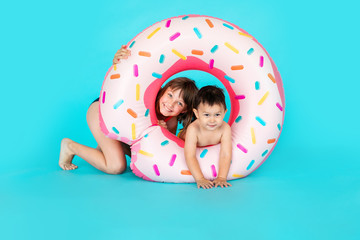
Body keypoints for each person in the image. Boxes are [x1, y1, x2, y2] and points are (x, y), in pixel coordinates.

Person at [59, 46, 198, 174]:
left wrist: (161, 132)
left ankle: (106, 145)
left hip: (121, 127)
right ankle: (70, 146)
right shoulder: (148, 94)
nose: (171, 104)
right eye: (170, 95)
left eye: (179, 103)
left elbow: (159, 149)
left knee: (141, 155)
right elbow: (125, 79)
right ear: (163, 89)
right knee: (116, 166)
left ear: (184, 111)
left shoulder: (171, 122)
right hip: (104, 111)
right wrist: (119, 62)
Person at [184, 86, 232, 189]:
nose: (212, 120)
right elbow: (190, 155)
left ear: (225, 112)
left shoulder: (225, 129)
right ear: (197, 113)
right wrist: (200, 178)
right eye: (206, 115)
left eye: (217, 114)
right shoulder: (193, 129)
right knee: (184, 134)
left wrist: (222, 177)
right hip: (184, 137)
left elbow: (225, 154)